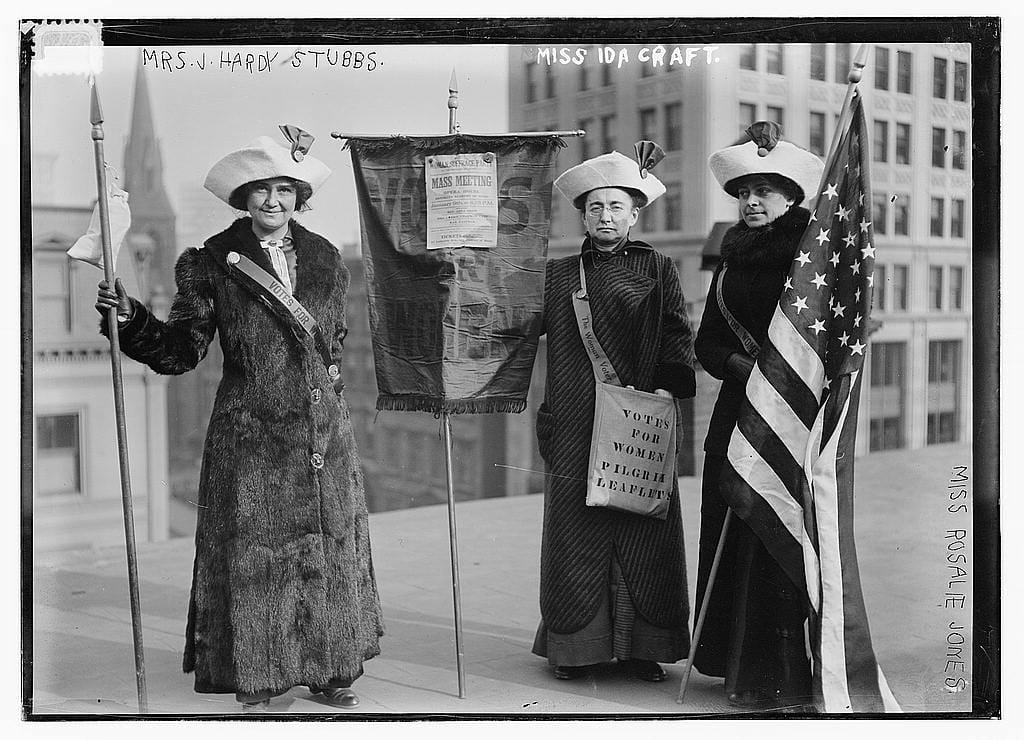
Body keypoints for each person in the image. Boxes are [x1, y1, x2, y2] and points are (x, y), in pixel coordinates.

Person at [95, 128, 383, 712]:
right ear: (241, 197)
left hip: (321, 430)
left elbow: (335, 340)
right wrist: (129, 316)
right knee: (255, 554)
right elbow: (181, 349)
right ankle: (258, 673)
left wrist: (329, 394)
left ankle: (331, 668)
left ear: (299, 195)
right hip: (250, 429)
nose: (272, 201)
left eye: (284, 189)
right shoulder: (210, 263)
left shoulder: (327, 256)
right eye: (260, 190)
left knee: (330, 548)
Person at [532, 147, 696, 682]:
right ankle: (577, 649)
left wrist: (670, 388)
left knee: (641, 530)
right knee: (577, 532)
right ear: (582, 215)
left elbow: (676, 331)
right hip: (576, 419)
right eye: (595, 206)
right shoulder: (558, 275)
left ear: (635, 213)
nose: (605, 216)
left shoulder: (658, 267)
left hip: (638, 420)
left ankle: (643, 648)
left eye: (616, 206)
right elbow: (510, 328)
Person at [693, 121, 824, 709]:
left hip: (788, 419)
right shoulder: (730, 257)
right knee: (729, 523)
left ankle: (776, 674)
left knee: (771, 534)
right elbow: (706, 345)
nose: (751, 201)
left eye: (765, 191)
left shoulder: (809, 260)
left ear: (792, 198)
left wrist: (774, 378)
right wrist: (736, 366)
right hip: (735, 411)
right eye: (744, 191)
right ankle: (730, 664)